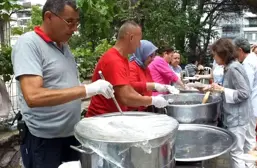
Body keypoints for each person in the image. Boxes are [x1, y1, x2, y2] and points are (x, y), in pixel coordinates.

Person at [11, 0, 114, 167]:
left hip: (70, 135)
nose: (74, 29)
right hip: (43, 140)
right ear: (49, 17)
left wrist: (93, 91)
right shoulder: (29, 44)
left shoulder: (64, 48)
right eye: (69, 22)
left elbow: (65, 86)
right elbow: (33, 96)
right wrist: (87, 89)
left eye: (77, 23)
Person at [86, 21, 168, 117]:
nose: (139, 46)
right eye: (139, 41)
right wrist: (152, 100)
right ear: (131, 38)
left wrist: (143, 98)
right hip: (101, 118)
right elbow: (125, 98)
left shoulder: (123, 58)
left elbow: (127, 87)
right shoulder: (114, 60)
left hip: (113, 115)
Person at [207, 38, 252, 168]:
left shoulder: (233, 68)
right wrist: (218, 87)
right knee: (236, 152)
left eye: (215, 54)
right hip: (235, 116)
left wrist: (222, 89)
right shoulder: (230, 67)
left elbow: (244, 93)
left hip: (237, 117)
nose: (214, 58)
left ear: (223, 54)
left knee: (236, 153)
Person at [233, 37, 257, 152]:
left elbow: (246, 88)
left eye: (235, 51)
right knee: (250, 136)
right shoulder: (253, 59)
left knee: (248, 138)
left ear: (240, 50)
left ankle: (251, 163)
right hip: (255, 102)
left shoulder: (248, 63)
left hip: (251, 104)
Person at [128, 40, 171, 111]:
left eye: (154, 56)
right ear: (143, 54)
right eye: (150, 56)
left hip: (144, 107)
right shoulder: (132, 67)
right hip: (134, 110)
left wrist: (163, 88)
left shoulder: (145, 68)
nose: (152, 59)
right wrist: (154, 86)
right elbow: (131, 86)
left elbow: (149, 84)